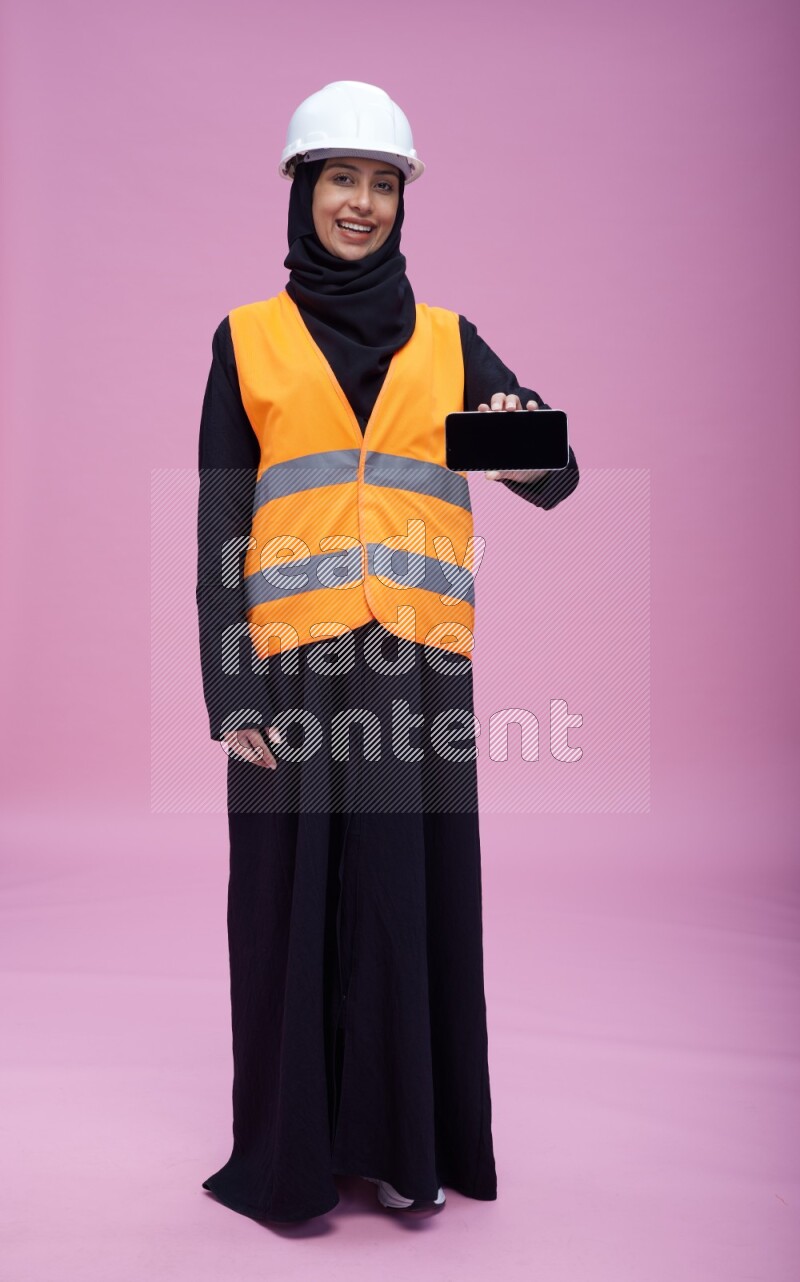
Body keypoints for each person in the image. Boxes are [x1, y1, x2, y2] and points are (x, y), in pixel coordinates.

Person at [196, 80, 579, 1224]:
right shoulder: (248, 340)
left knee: (405, 910)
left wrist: (515, 444)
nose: (358, 203)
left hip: (416, 672)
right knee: (284, 907)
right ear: (301, 189)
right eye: (338, 179)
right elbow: (222, 525)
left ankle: (409, 1149)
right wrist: (230, 693)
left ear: (402, 200)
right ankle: (291, 1159)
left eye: (380, 183)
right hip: (291, 666)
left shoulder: (449, 343)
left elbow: (553, 475)